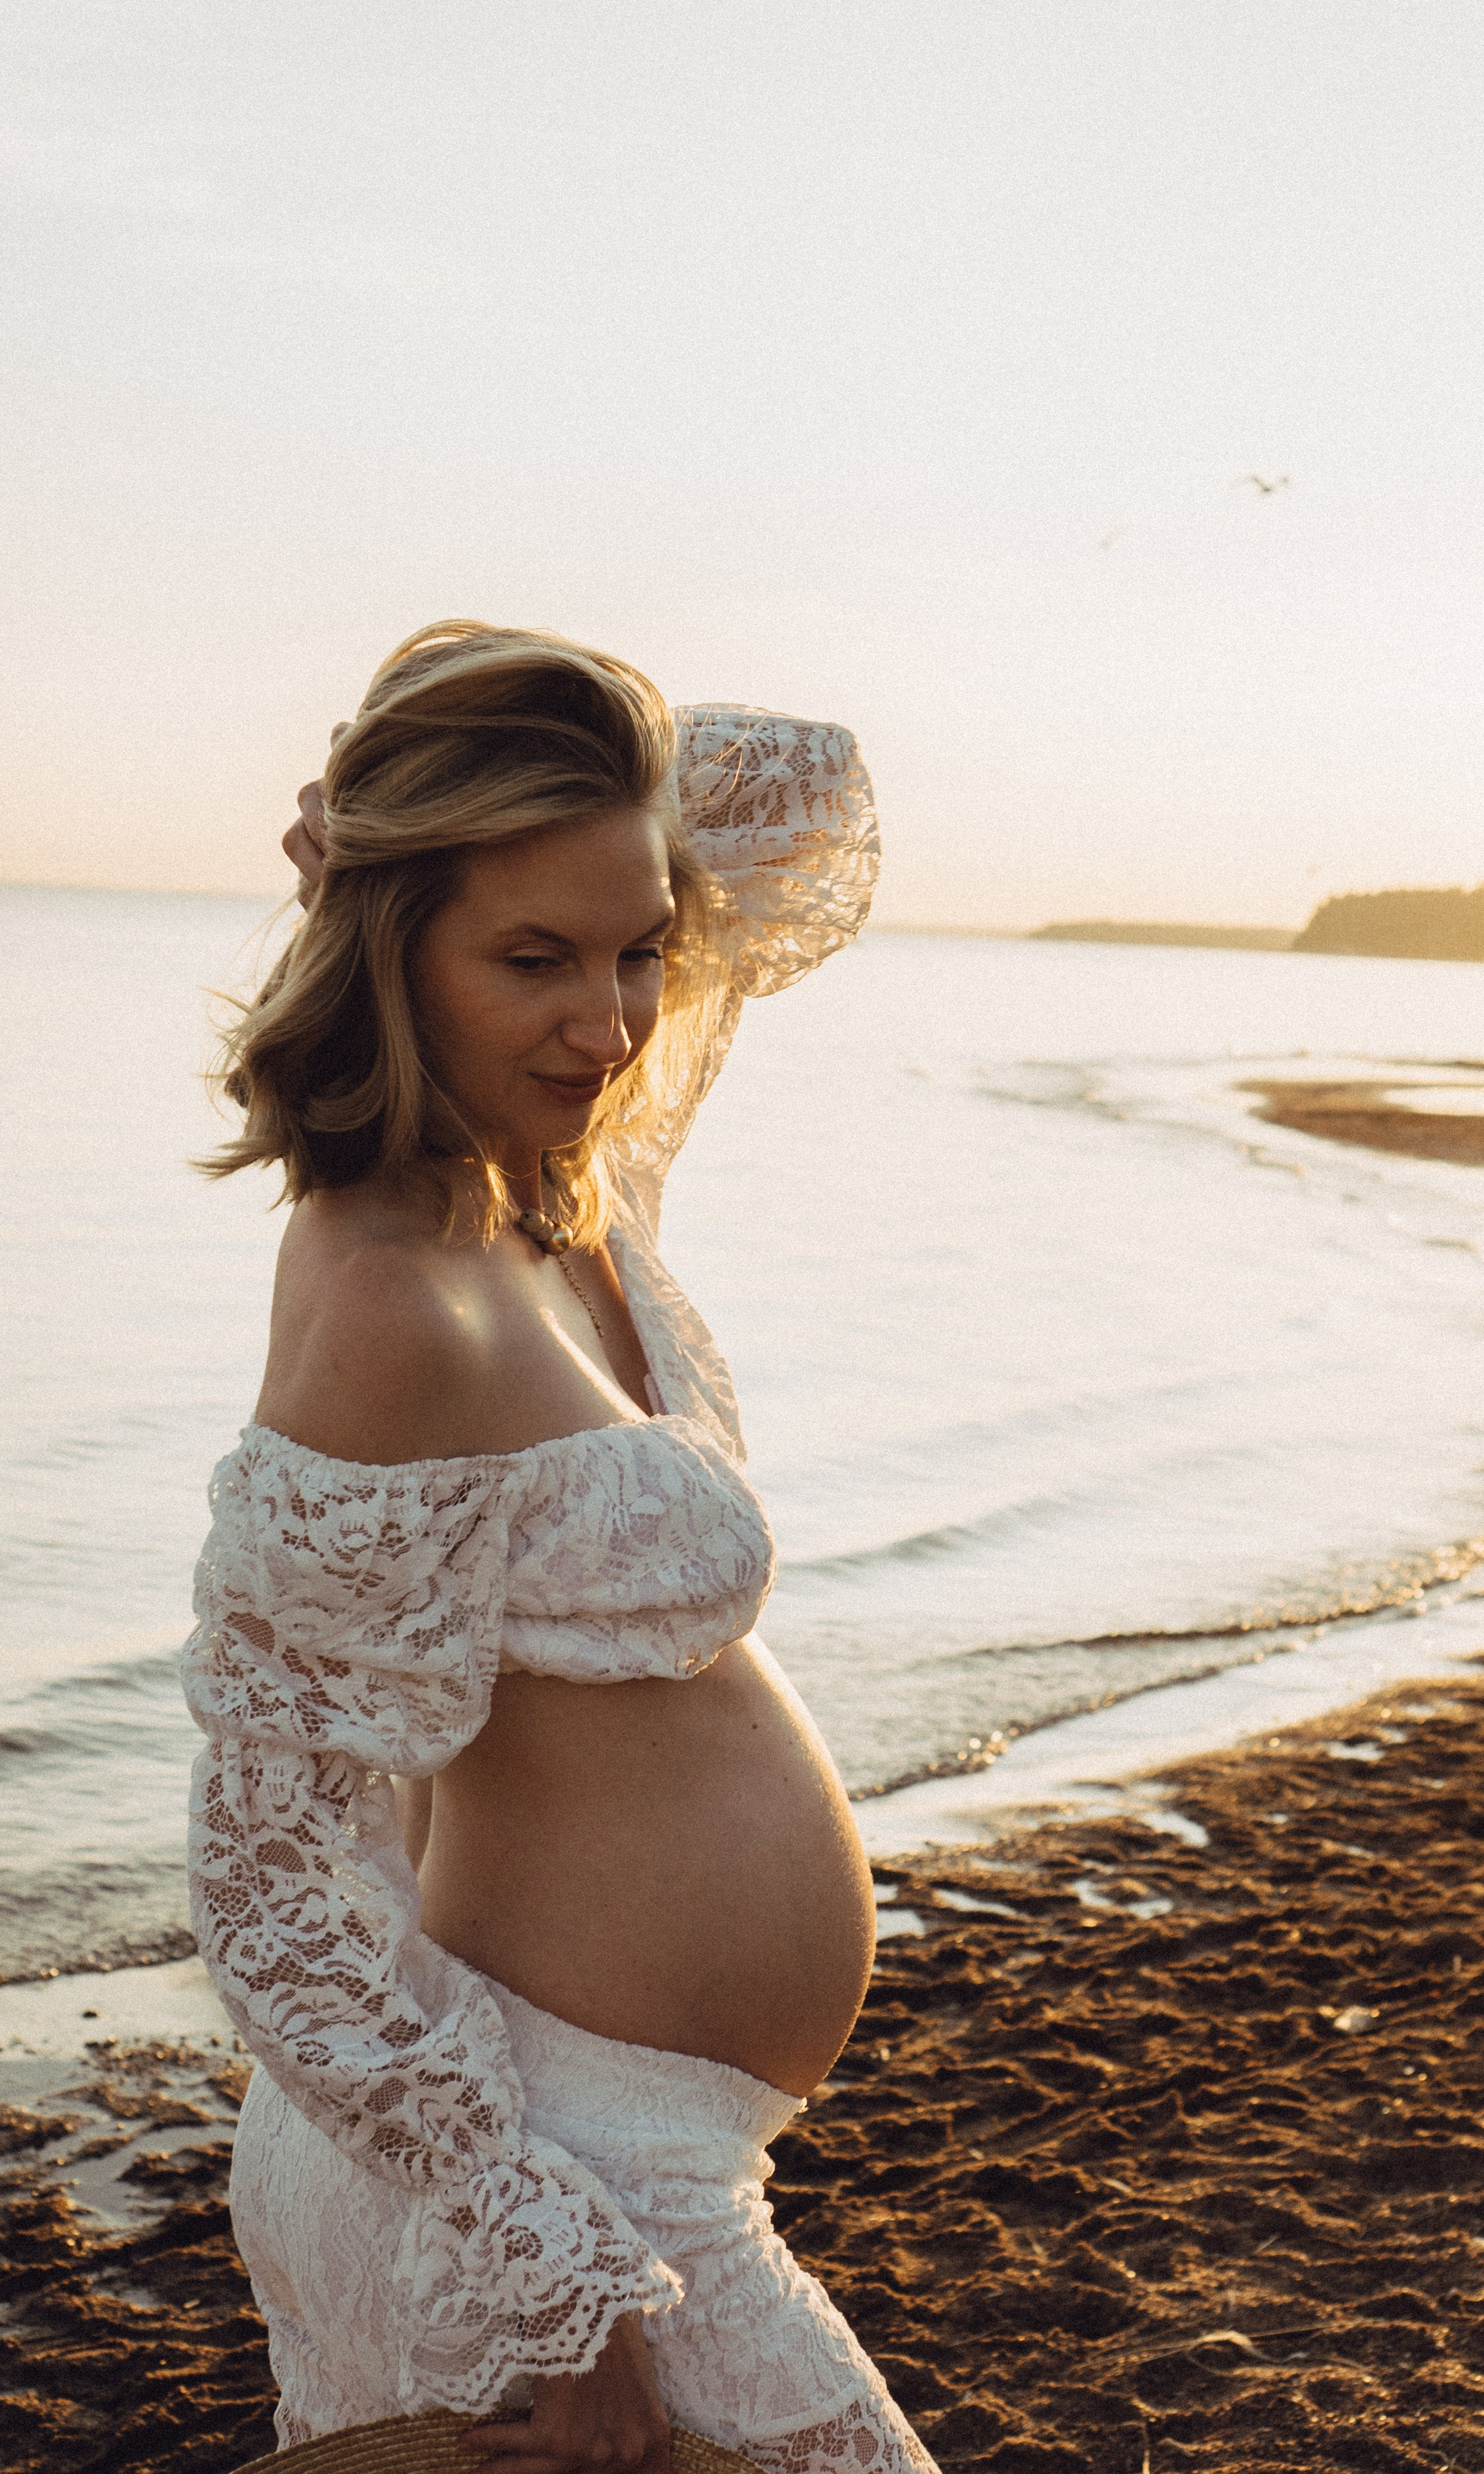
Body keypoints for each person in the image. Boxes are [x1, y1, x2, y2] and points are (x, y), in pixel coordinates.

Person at [182, 620, 938, 2474]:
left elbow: (804, 791)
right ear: (390, 954)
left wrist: (411, 818)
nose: (608, 1022)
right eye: (532, 958)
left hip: (636, 2146)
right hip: (555, 2185)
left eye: (633, 951)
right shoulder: (386, 1307)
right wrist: (562, 2282)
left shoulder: (554, 1178)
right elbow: (274, 1894)